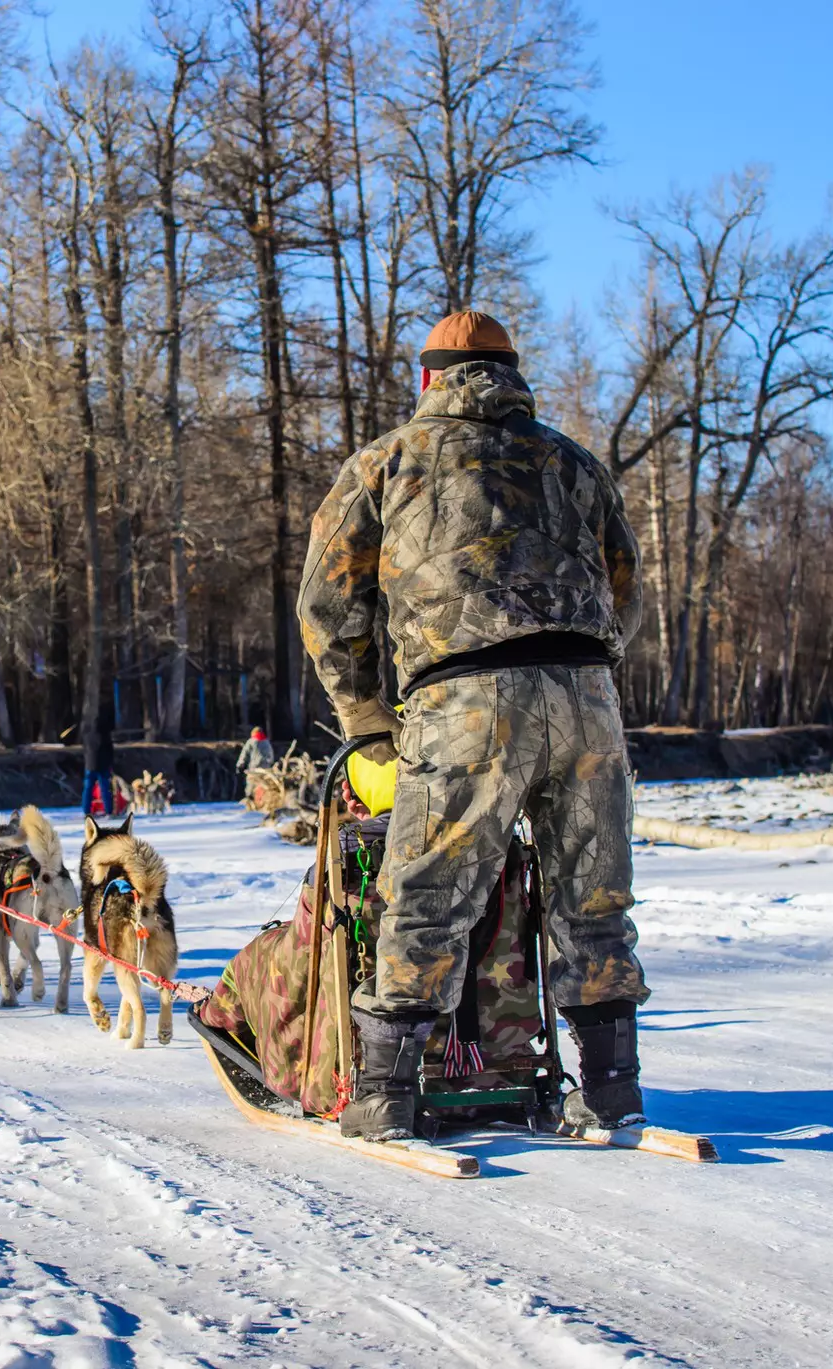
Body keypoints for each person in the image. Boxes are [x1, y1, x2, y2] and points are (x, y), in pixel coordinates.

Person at [296, 310, 650, 1142]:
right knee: (593, 898)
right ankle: (611, 1093)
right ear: (513, 373)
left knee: (423, 895)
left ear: (429, 379)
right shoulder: (574, 462)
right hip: (587, 695)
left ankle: (385, 1096)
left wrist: (366, 713)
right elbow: (626, 587)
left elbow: (326, 601)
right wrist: (587, 666)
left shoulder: (387, 464)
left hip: (465, 701)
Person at [80, 695, 116, 817]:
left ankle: (86, 811)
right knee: (105, 788)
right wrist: (110, 763)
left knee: (88, 789)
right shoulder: (105, 736)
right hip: (102, 765)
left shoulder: (88, 734)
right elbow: (109, 750)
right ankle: (109, 810)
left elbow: (85, 748)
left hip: (89, 765)